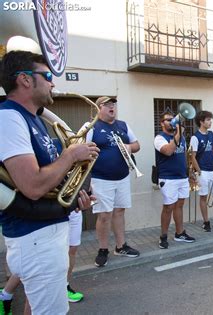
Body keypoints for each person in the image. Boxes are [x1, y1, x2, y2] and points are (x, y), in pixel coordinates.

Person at [0, 51, 97, 314]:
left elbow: (49, 179)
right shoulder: (9, 117)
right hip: (35, 239)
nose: (53, 82)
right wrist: (71, 154)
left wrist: (75, 195)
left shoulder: (34, 119)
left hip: (42, 236)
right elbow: (32, 185)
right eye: (48, 76)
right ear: (25, 80)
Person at [87, 96, 141, 267]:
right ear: (98, 108)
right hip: (101, 178)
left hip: (122, 176)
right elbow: (82, 151)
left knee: (119, 212)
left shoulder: (122, 125)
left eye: (113, 104)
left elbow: (137, 145)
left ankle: (121, 246)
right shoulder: (91, 127)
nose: (112, 107)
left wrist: (129, 147)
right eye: (107, 105)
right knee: (104, 215)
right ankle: (103, 249)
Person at [154, 111, 196, 249]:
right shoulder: (159, 138)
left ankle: (180, 233)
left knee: (179, 205)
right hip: (168, 178)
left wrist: (189, 172)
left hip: (181, 177)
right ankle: (163, 236)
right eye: (168, 120)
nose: (171, 122)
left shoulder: (181, 138)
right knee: (168, 207)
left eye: (173, 119)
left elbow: (183, 155)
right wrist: (178, 134)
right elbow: (168, 151)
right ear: (162, 123)